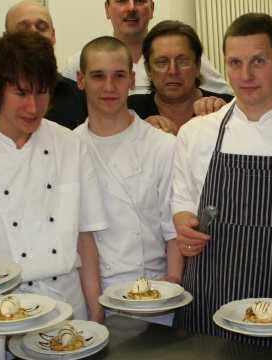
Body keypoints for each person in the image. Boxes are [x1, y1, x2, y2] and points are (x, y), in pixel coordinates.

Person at [172, 13, 272, 355]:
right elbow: (182, 205)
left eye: (258, 61)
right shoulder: (196, 134)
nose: (245, 75)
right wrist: (185, 228)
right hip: (205, 307)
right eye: (235, 62)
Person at [0, 29, 106, 323]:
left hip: (68, 305)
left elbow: (85, 239)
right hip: (0, 315)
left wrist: (96, 312)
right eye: (22, 93)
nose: (33, 107)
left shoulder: (71, 146)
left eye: (42, 92)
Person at [74, 36, 180, 325]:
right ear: (81, 80)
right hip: (94, 298)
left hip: (157, 297)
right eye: (98, 76)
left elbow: (174, 231)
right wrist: (95, 309)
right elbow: (83, 238)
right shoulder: (69, 150)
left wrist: (172, 289)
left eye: (119, 76)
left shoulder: (162, 146)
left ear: (133, 80)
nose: (109, 87)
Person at [64, 0, 229, 96]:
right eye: (121, 0)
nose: (131, 8)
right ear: (107, 9)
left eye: (140, 0)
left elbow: (226, 98)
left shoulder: (183, 59)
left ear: (152, 9)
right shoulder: (79, 63)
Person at [0, 0, 89, 130]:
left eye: (42, 27)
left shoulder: (82, 99)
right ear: (6, 37)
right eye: (23, 29)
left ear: (53, 36)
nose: (34, 33)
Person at [127, 20, 233, 129]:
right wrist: (139, 132)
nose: (173, 71)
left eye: (182, 61)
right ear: (148, 70)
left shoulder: (226, 107)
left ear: (197, 66)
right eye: (162, 62)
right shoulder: (130, 110)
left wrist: (230, 122)